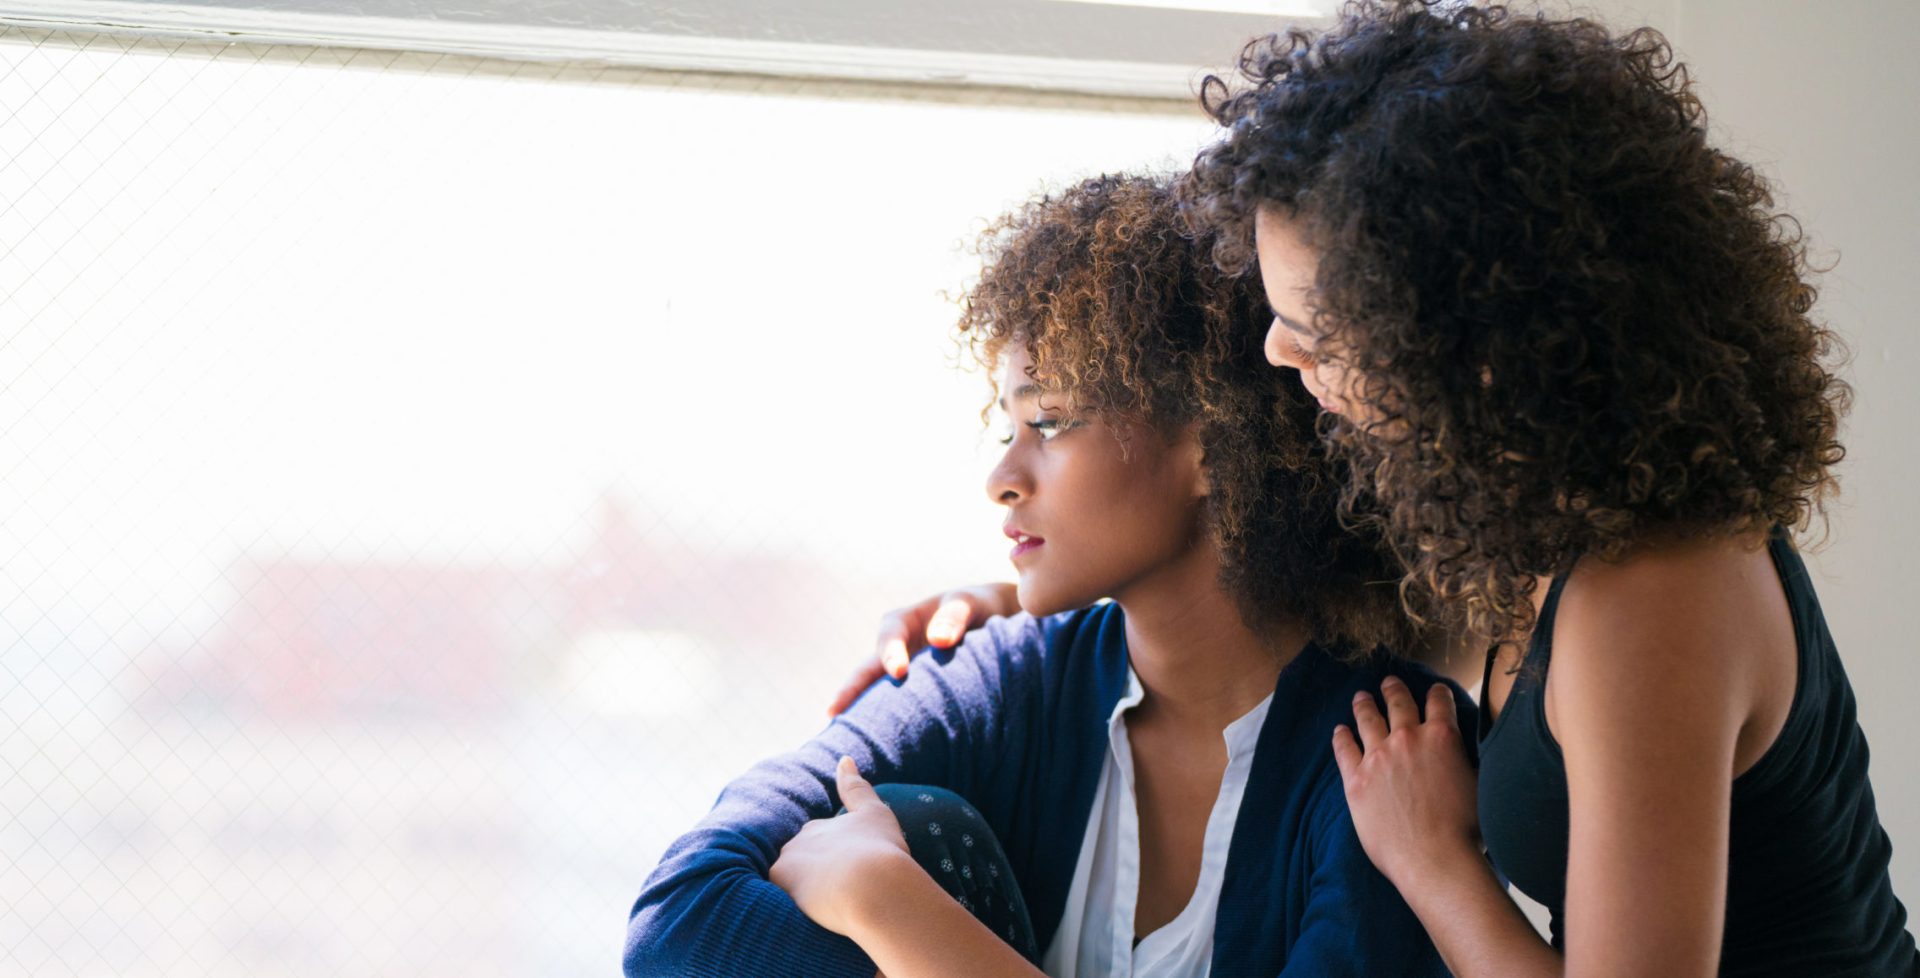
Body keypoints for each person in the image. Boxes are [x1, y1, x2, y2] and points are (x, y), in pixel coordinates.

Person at [1174, 3, 1918, 976]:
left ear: (1474, 346)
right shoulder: (1524, 522)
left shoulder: (1653, 591)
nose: (1279, 352)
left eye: (1315, 326)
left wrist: (1437, 864)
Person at [624, 173, 1467, 978]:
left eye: (1050, 419)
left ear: (1212, 443)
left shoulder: (1394, 754)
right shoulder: (1004, 682)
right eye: (1007, 426)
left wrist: (890, 905)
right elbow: (678, 921)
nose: (1002, 478)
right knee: (919, 819)